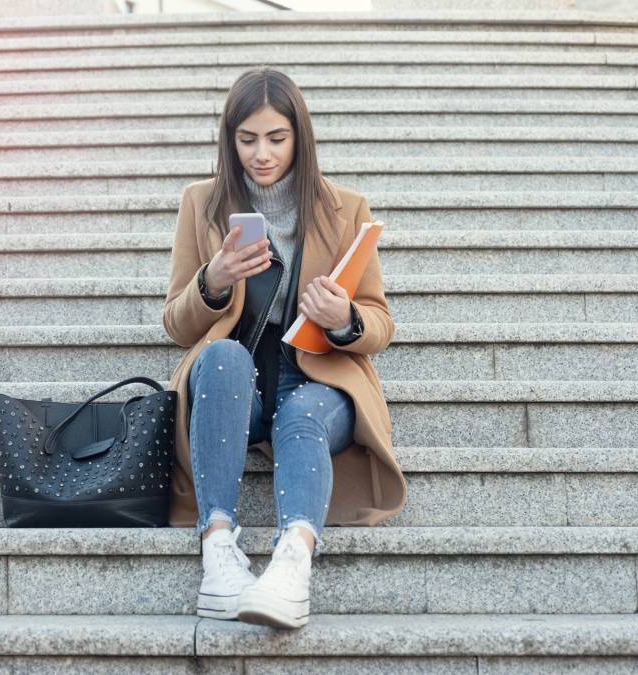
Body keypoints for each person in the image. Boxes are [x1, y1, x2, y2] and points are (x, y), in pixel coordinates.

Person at [161, 67, 404, 630]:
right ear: (230, 139)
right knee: (220, 357)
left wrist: (344, 319)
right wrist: (213, 280)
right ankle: (219, 552)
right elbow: (176, 321)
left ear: (301, 136)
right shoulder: (202, 203)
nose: (262, 154)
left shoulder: (346, 208)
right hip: (234, 385)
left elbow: (380, 321)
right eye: (247, 140)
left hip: (319, 378)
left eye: (276, 138)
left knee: (301, 414)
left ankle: (292, 562)